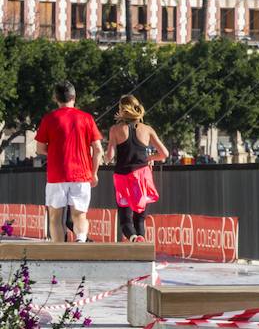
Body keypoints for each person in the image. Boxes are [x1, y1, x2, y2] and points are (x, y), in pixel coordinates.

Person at [34, 81, 103, 243]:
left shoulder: (49, 119)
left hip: (57, 175)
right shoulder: (86, 118)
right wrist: (93, 173)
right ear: (74, 97)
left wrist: (55, 152)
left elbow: (39, 149)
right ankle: (80, 239)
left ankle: (59, 253)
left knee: (55, 218)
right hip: (81, 175)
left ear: (55, 98)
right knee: (79, 215)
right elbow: (98, 149)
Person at [106, 95, 170, 242]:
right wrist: (149, 158)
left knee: (125, 219)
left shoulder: (115, 130)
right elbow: (164, 154)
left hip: (123, 177)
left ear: (122, 110)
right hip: (142, 176)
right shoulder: (147, 129)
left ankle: (134, 238)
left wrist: (105, 156)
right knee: (140, 218)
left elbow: (109, 156)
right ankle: (141, 242)